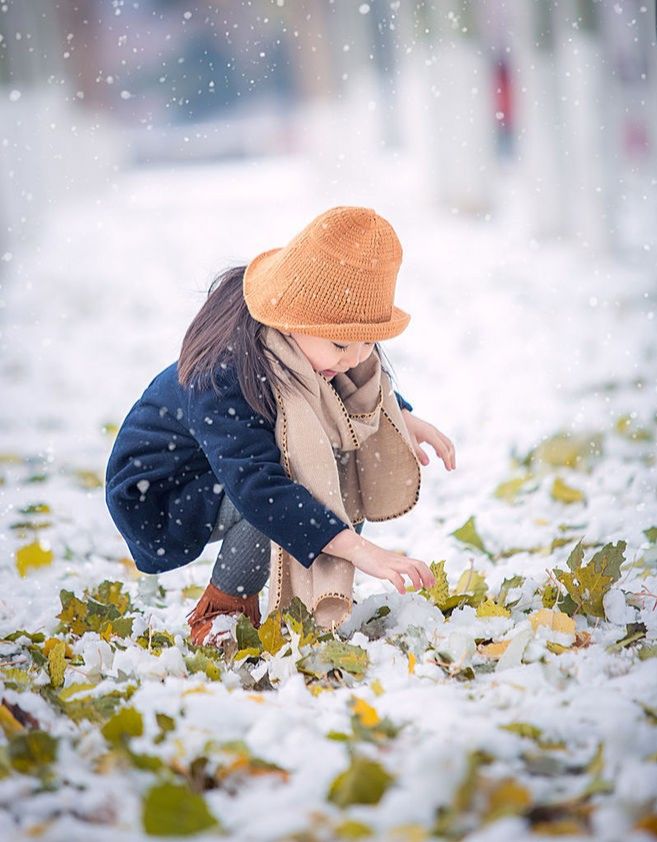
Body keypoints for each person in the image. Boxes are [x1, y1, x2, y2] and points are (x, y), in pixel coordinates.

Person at [104, 206, 456, 644]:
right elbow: (258, 487)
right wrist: (360, 550)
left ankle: (302, 605)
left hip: (224, 464)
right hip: (163, 490)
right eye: (343, 342)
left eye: (371, 341)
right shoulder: (223, 374)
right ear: (293, 322)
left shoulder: (301, 348)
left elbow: (345, 385)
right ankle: (223, 610)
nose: (357, 358)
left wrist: (400, 415)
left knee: (338, 466)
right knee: (295, 488)